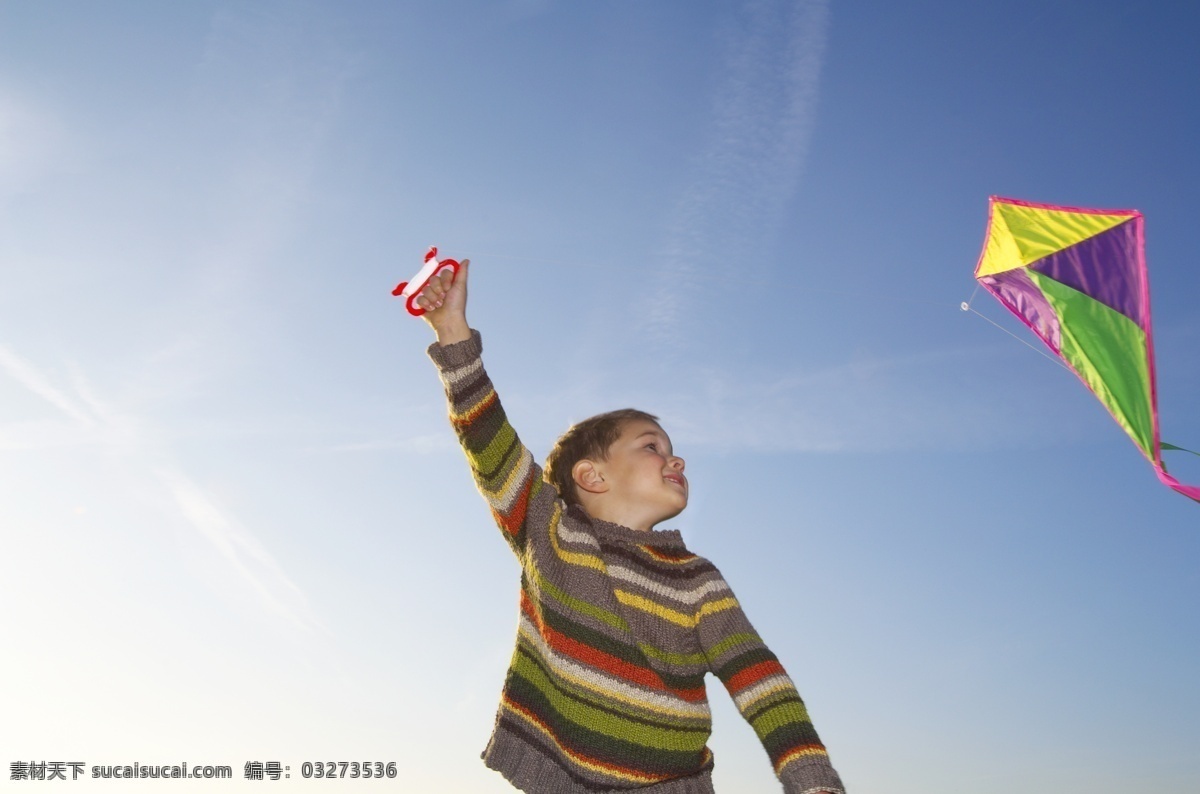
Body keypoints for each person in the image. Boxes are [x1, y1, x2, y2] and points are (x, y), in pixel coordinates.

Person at [415, 259, 845, 794]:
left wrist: (814, 783)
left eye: (673, 449)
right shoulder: (548, 532)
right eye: (651, 446)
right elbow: (488, 440)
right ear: (592, 475)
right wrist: (452, 330)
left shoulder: (697, 580)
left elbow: (761, 681)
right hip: (565, 777)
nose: (675, 459)